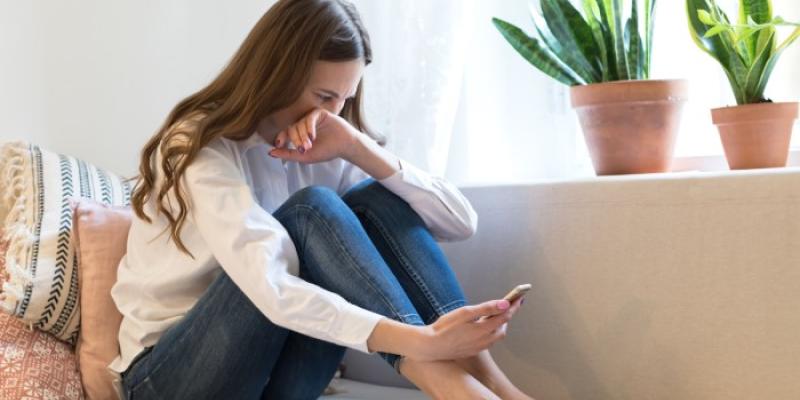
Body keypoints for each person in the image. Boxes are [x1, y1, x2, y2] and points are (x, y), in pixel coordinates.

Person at [109, 1, 534, 399]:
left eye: (344, 99)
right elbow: (270, 286)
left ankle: (492, 381)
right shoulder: (200, 144)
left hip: (274, 373)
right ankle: (451, 385)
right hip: (167, 376)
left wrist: (358, 148)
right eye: (324, 97)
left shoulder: (327, 139)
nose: (333, 113)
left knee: (374, 199)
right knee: (313, 210)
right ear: (275, 75)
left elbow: (460, 224)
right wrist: (420, 342)